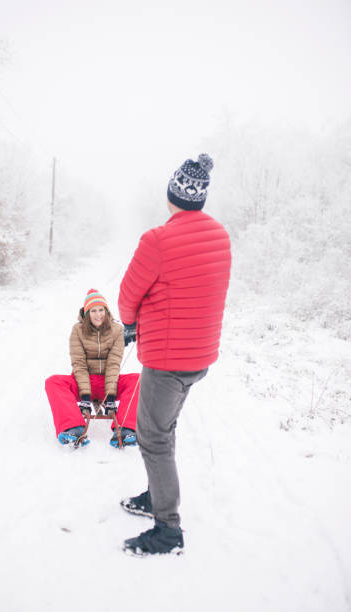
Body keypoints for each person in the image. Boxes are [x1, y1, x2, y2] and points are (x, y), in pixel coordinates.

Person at [118, 154, 231, 555]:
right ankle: (156, 494)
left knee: (152, 436)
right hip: (199, 356)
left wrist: (129, 323)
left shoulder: (158, 239)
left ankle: (167, 529)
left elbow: (129, 294)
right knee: (164, 429)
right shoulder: (220, 235)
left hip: (167, 360)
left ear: (172, 195)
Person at [45, 289, 140, 448]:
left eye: (101, 310)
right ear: (86, 313)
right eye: (93, 311)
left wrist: (110, 397)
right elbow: (79, 364)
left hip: (109, 382)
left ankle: (127, 429)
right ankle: (72, 428)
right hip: (84, 380)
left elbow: (113, 363)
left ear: (107, 311)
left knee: (139, 380)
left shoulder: (117, 331)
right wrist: (85, 396)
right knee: (53, 382)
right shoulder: (78, 330)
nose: (98, 314)